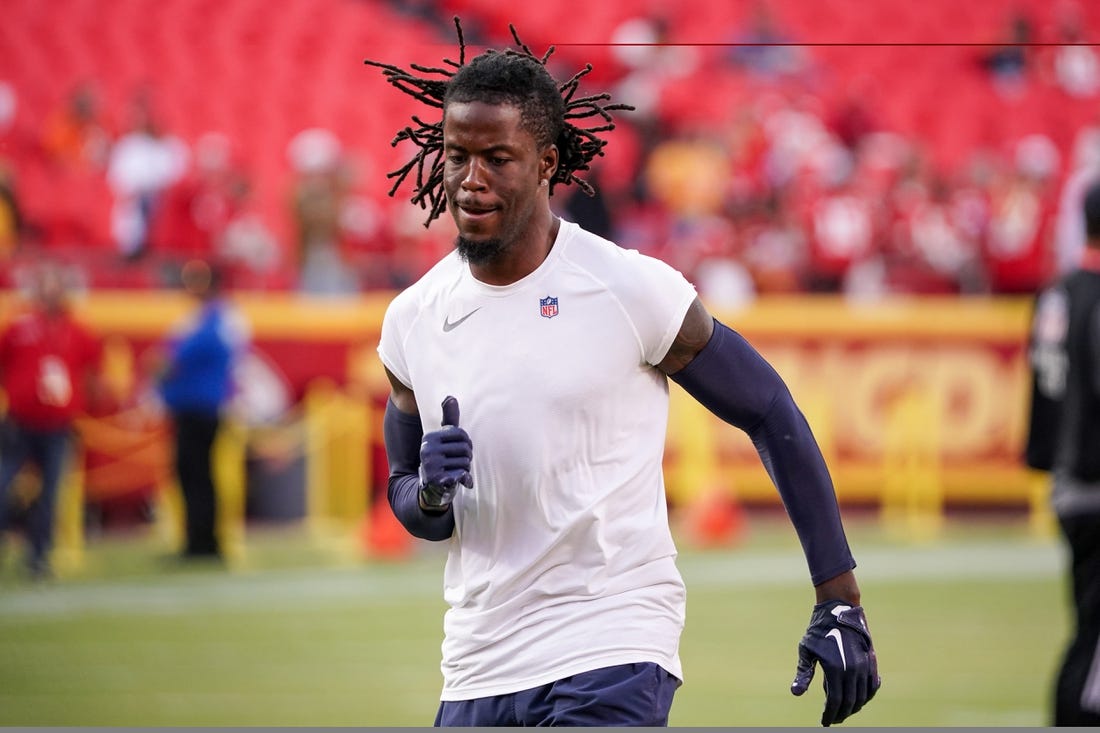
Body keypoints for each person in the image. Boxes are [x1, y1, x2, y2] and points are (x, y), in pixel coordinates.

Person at [365, 19, 880, 727]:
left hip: (612, 643)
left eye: (498, 158)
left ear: (547, 162)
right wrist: (426, 494)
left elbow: (768, 408)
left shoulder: (627, 288)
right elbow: (409, 500)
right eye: (458, 156)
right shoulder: (412, 319)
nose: (471, 180)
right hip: (479, 659)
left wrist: (838, 596)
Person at [1024, 178, 1100, 726]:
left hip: (1069, 480)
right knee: (1092, 639)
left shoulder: (1057, 292)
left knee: (1089, 627)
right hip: (1095, 478)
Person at [0, 261, 102, 579]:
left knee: (52, 493)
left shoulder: (79, 331)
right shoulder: (19, 328)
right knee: (3, 485)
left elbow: (92, 374)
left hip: (58, 425)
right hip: (20, 421)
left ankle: (39, 556)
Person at [154, 259, 248, 561]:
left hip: (200, 409)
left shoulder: (213, 321)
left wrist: (161, 368)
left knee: (196, 475)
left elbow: (172, 360)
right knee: (196, 475)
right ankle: (200, 539)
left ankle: (202, 542)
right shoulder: (212, 319)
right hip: (196, 407)